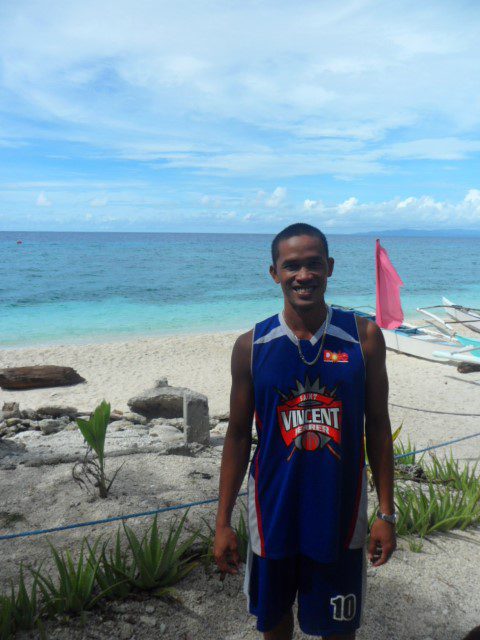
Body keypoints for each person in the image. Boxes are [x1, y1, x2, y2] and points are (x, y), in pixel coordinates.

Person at [214, 223, 396, 639]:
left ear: (329, 268)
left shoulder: (363, 337)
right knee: (274, 625)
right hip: (273, 512)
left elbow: (379, 427)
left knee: (337, 630)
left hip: (340, 514)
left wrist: (386, 513)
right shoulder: (252, 345)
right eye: (291, 266)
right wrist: (222, 521)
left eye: (313, 264)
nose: (303, 275)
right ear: (274, 273)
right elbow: (238, 436)